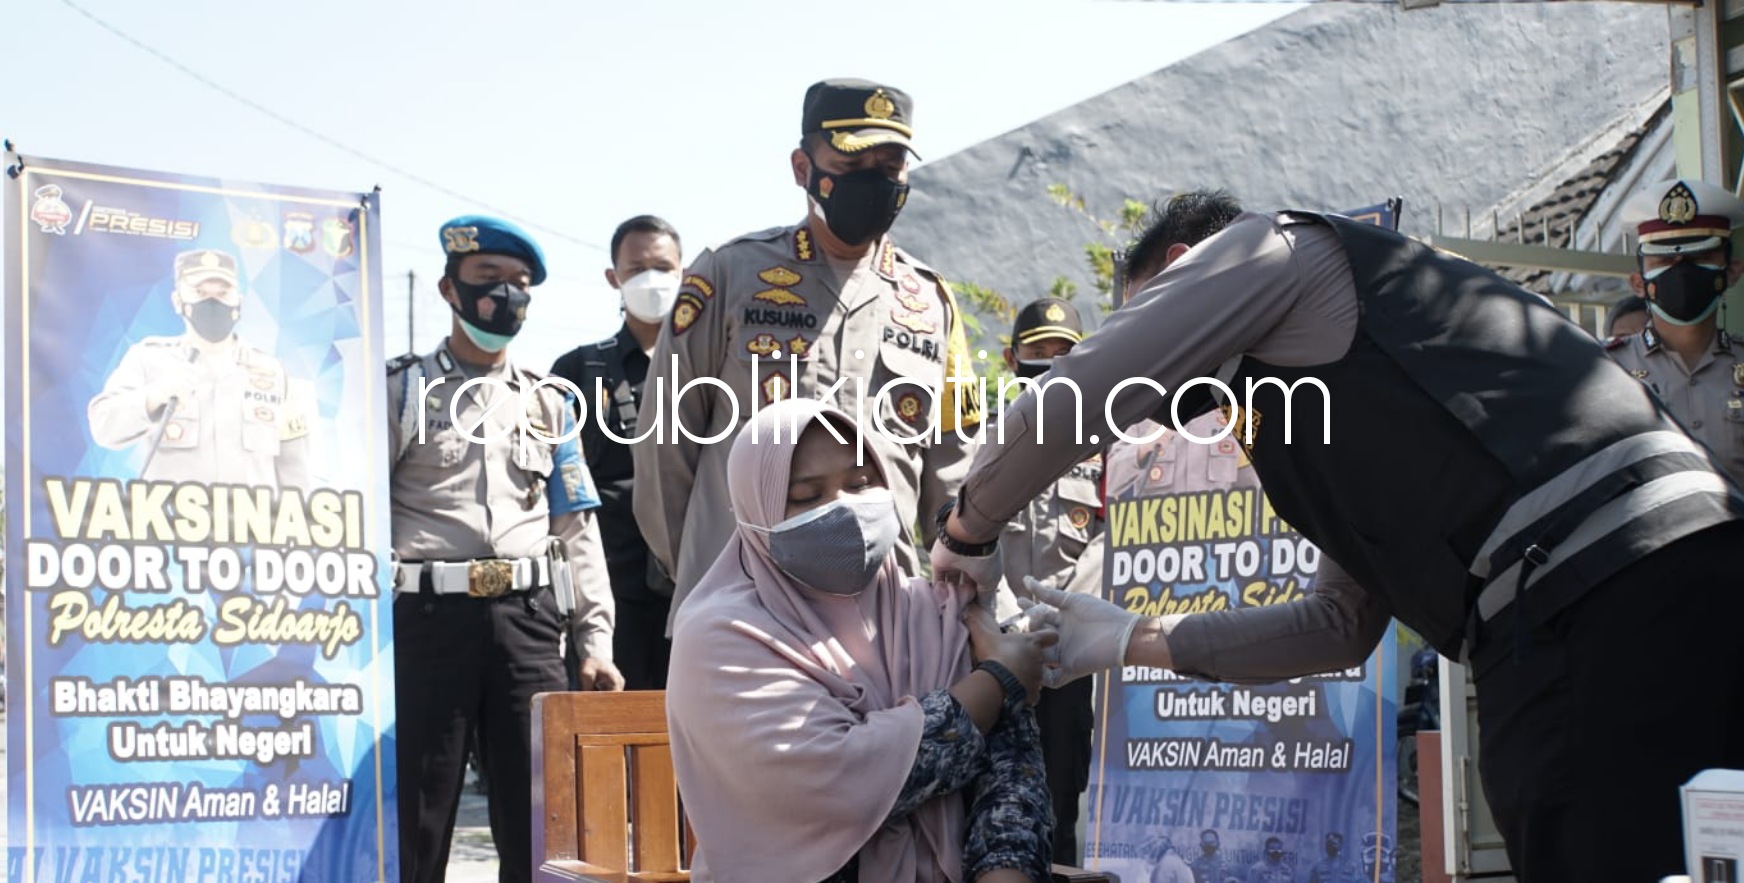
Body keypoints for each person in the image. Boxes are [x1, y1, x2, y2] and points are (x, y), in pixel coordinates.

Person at [932, 189, 1744, 883]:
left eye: (1142, 310)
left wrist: (967, 530)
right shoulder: (1306, 398)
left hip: (1599, 604)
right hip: (1669, 576)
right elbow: (1340, 625)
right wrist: (1127, 642)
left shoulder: (1273, 249)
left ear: (1184, 265)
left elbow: (1087, 389)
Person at [633, 77, 982, 629]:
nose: (873, 181)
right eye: (852, 164)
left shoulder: (929, 302)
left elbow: (954, 476)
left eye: (889, 167)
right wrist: (705, 568)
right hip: (743, 611)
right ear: (803, 169)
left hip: (882, 619)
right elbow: (664, 450)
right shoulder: (729, 273)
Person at [665, 398, 1052, 883]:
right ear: (755, 509)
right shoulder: (720, 637)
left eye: (860, 483)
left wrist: (1005, 875)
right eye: (806, 495)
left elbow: (1011, 775)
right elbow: (831, 785)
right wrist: (996, 683)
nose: (843, 508)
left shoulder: (937, 609)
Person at [388, 215, 621, 883]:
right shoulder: (401, 389)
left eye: (520, 284)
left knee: (543, 816)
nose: (506, 296)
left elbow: (576, 530)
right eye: (489, 280)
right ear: (449, 288)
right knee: (420, 814)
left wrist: (596, 641)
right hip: (427, 621)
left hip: (527, 622)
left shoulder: (551, 402)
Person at [550, 214, 683, 690]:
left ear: (683, 271)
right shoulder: (579, 368)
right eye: (637, 268)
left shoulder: (713, 366)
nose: (652, 279)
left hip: (695, 587)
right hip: (611, 593)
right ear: (614, 278)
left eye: (664, 267)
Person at [998, 296, 1103, 862]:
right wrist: (1008, 625)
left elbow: (1112, 540)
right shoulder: (982, 435)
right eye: (1039, 352)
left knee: (1062, 805)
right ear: (1012, 360)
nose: (1052, 363)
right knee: (993, 802)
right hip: (994, 653)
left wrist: (1066, 616)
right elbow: (962, 530)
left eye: (1066, 353)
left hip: (1070, 660)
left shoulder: (1104, 438)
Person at [88, 247, 313, 489]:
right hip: (171, 523)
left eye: (223, 293)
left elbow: (294, 467)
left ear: (238, 301)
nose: (212, 301)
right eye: (200, 292)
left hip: (251, 524)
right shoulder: (148, 358)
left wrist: (298, 522)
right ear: (178, 301)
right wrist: (155, 395)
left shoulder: (273, 372)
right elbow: (103, 425)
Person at [1606, 179, 1744, 483]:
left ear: (1731, 271)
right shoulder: (1607, 369)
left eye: (1699, 259)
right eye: (1666, 260)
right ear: (1639, 283)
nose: (1682, 272)